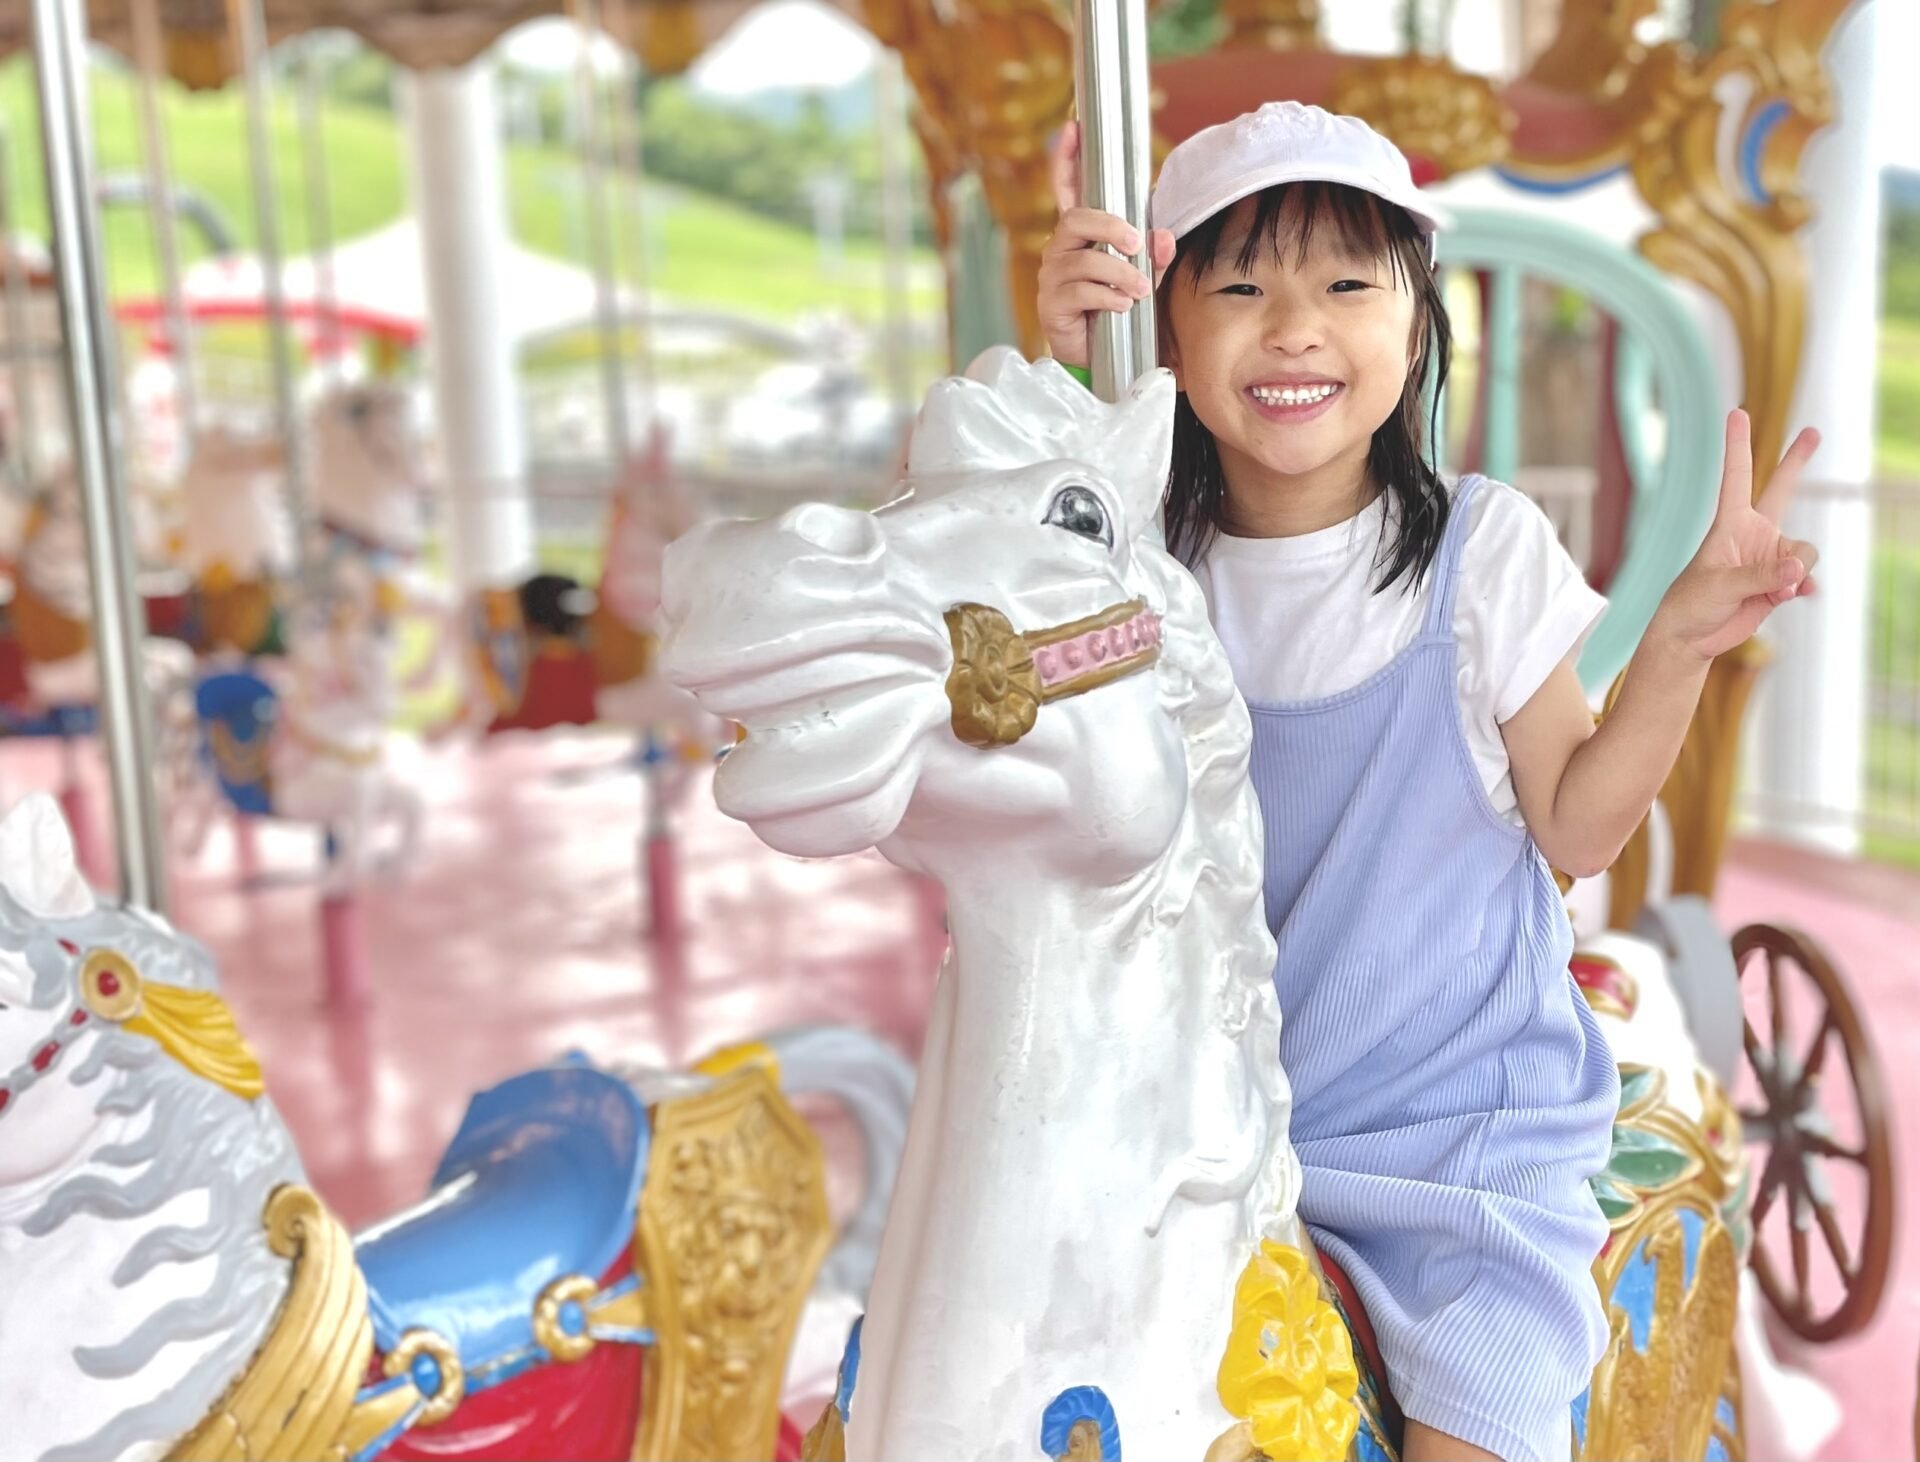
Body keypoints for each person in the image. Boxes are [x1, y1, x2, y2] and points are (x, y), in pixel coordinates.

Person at [1036, 99, 1820, 1462]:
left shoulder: (1481, 552)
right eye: (1241, 285)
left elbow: (1575, 823)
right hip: (1212, 1128)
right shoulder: (1147, 572)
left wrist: (1681, 642)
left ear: (1414, 324)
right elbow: (987, 587)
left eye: (1349, 282)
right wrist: (1059, 363)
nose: (1295, 326)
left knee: (1474, 1415)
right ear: (1168, 329)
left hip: (1458, 1136)